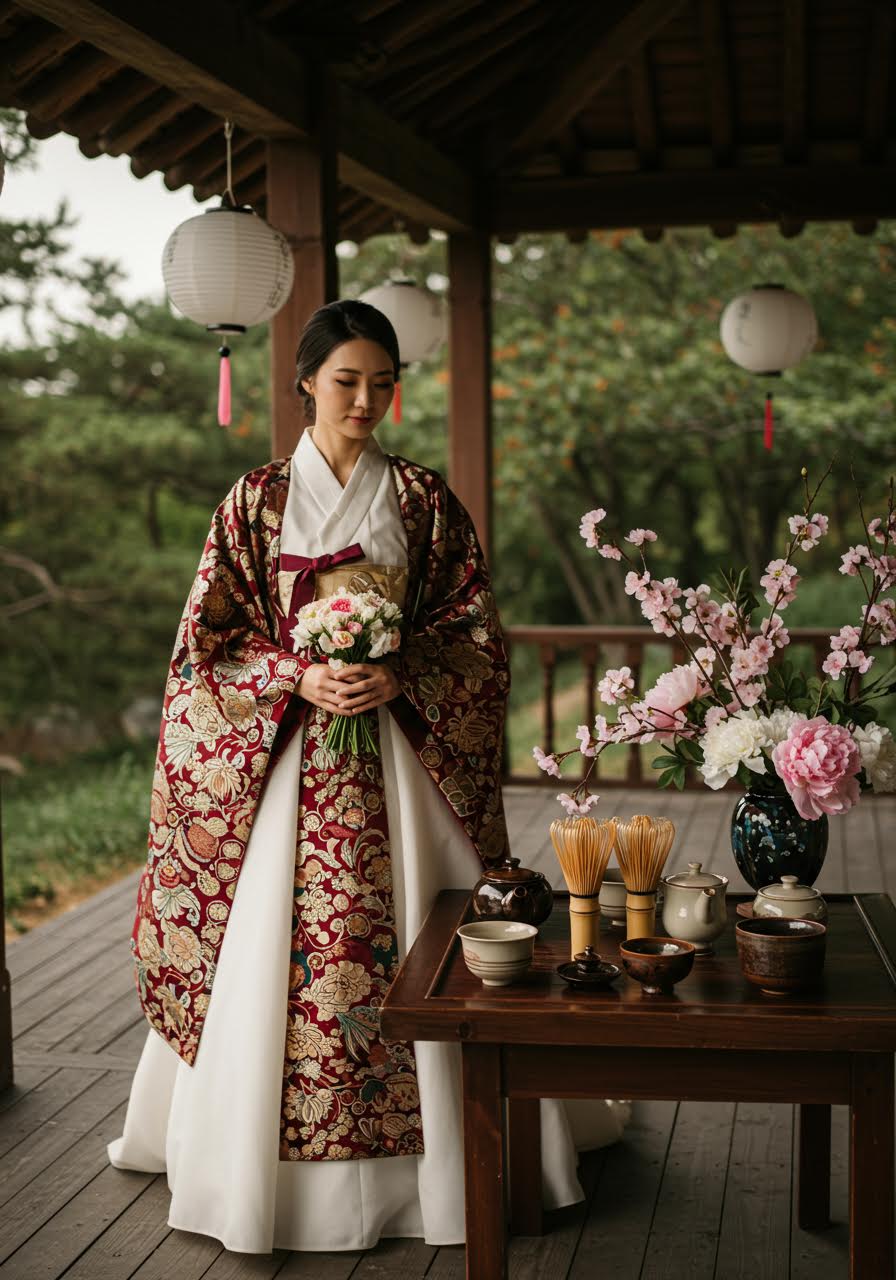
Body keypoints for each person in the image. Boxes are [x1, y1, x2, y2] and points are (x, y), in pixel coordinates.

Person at [107, 299, 628, 1253]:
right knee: (274, 952)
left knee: (429, 939)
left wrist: (399, 671)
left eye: (383, 384)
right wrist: (293, 673)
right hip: (287, 761)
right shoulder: (254, 502)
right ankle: (269, 1176)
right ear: (305, 380)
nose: (366, 401)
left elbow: (475, 635)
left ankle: (451, 1161)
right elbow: (206, 649)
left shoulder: (425, 500)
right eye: (347, 381)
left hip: (402, 757)